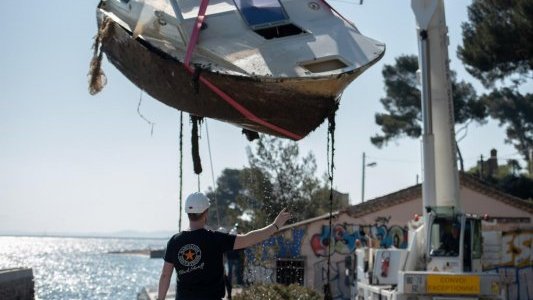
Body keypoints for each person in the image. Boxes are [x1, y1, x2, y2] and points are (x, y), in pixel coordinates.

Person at [158, 192, 291, 300]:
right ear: (206, 213)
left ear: (187, 213)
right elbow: (248, 239)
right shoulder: (216, 238)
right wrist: (275, 226)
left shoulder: (174, 241)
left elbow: (165, 275)